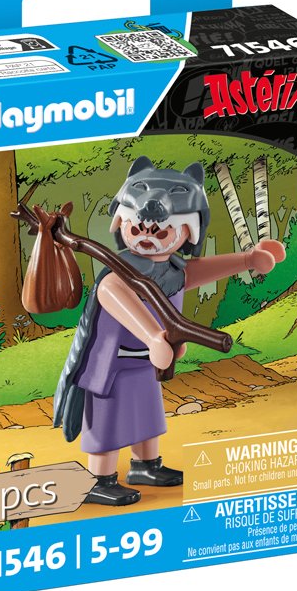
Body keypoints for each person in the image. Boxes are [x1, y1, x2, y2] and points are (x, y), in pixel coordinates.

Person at [54, 157, 285, 506]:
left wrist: (248, 259)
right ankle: (99, 479)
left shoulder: (173, 269)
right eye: (137, 229)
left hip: (147, 362)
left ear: (188, 231)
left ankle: (146, 466)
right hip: (112, 365)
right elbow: (113, 295)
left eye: (161, 232)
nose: (147, 238)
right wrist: (153, 336)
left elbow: (197, 271)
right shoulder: (121, 272)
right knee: (108, 423)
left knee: (147, 414)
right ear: (122, 223)